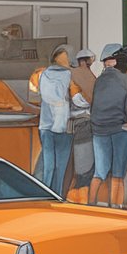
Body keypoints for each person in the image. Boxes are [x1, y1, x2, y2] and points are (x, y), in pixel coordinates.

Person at [89, 44, 127, 207]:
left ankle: (91, 203)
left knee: (100, 171)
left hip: (99, 129)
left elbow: (93, 104)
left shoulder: (99, 80)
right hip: (120, 129)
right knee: (118, 171)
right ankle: (116, 207)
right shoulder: (124, 79)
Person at [35, 45, 75, 194]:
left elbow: (36, 97)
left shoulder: (43, 74)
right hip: (64, 125)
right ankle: (57, 194)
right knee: (61, 166)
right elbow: (76, 100)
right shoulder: (70, 75)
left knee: (48, 165)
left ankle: (44, 194)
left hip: (45, 125)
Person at [67, 48, 98, 199]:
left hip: (84, 123)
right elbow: (78, 99)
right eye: (88, 61)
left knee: (84, 167)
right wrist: (93, 101)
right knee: (83, 168)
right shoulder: (76, 77)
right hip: (81, 124)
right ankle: (80, 200)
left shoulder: (84, 75)